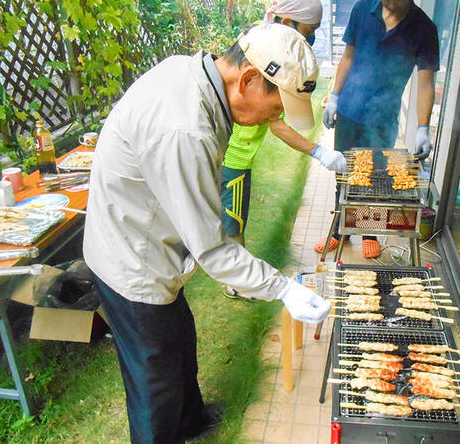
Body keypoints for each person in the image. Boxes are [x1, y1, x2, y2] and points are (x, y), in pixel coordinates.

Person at [83, 24, 331, 443]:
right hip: (131, 260)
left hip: (152, 239)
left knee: (179, 340)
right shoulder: (185, 130)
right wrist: (284, 288)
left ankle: (191, 420)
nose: (278, 118)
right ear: (249, 79)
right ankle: (163, 432)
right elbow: (213, 250)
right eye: (277, 107)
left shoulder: (193, 74)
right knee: (153, 379)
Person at [222, 0, 346, 300]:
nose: (312, 36)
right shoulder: (263, 59)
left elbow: (274, 120)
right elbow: (276, 124)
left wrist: (319, 152)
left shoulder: (268, 50)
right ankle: (237, 281)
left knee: (230, 219)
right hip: (232, 159)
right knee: (231, 221)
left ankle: (238, 275)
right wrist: (318, 152)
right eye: (310, 28)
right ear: (288, 22)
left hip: (237, 159)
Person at [316, 0, 439, 258]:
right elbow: (348, 56)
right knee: (344, 174)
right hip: (349, 109)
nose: (389, 2)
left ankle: (368, 232)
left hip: (383, 118)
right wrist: (335, 96)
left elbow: (426, 81)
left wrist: (422, 128)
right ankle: (341, 231)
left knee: (374, 178)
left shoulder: (424, 27)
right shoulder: (362, 10)